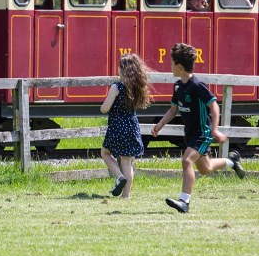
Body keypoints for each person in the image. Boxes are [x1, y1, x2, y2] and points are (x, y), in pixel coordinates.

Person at [150, 43, 246, 213]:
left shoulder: (197, 85)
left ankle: (184, 202)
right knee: (206, 168)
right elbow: (173, 110)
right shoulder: (178, 86)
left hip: (202, 133)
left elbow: (214, 106)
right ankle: (232, 161)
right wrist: (159, 125)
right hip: (190, 133)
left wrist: (215, 130)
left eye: (171, 63)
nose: (170, 66)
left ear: (179, 66)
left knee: (187, 161)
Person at [100, 53, 151, 198]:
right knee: (127, 162)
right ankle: (126, 195)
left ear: (122, 70)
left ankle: (119, 177)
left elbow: (105, 108)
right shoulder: (137, 88)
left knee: (105, 153)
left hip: (117, 126)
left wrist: (102, 108)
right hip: (132, 126)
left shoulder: (116, 87)